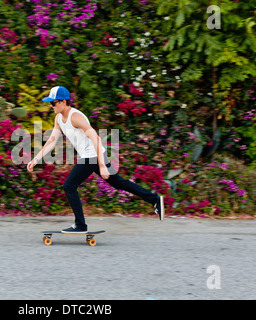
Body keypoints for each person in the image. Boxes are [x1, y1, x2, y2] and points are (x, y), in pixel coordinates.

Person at [26, 86, 164, 233]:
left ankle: (80, 225)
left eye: (53, 103)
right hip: (94, 156)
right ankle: (154, 199)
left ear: (63, 102)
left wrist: (102, 165)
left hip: (92, 156)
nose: (50, 105)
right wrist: (36, 158)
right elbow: (52, 140)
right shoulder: (59, 118)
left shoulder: (76, 117)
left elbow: (96, 138)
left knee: (69, 186)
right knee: (119, 183)